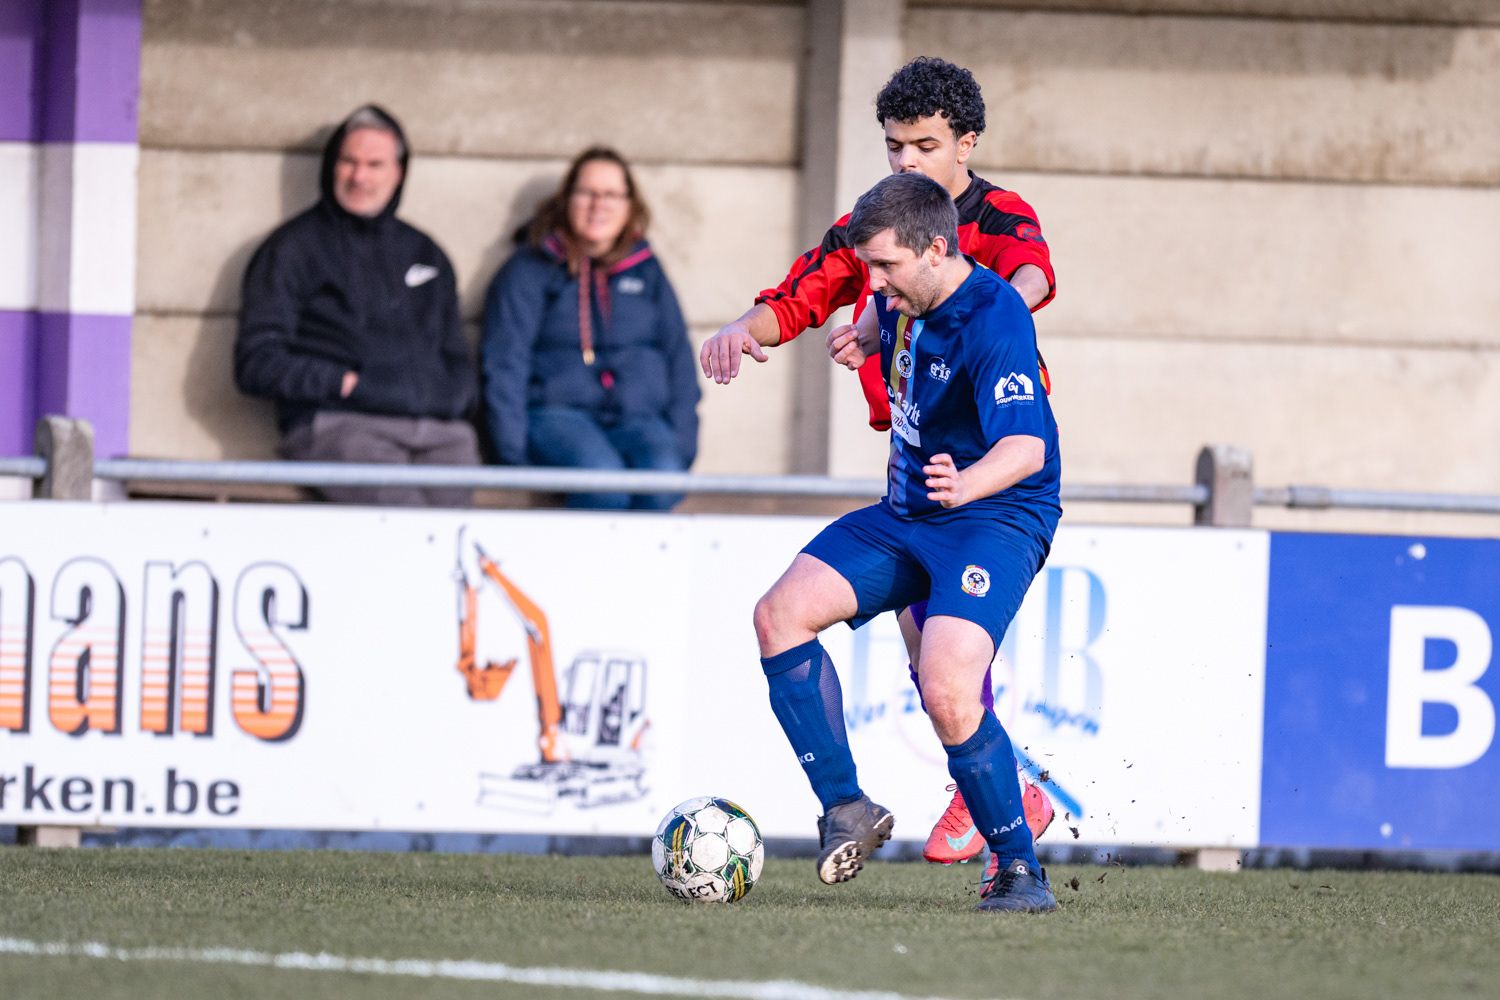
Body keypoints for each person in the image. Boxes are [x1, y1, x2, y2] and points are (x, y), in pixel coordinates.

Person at [698, 57, 1056, 866]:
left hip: (989, 470)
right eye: (895, 145)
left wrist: (944, 315)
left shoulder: (997, 219)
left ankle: (1004, 828)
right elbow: (800, 294)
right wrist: (740, 331)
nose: (906, 161)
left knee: (943, 663)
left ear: (966, 143)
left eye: (924, 145)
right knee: (916, 651)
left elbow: (1031, 278)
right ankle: (962, 797)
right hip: (918, 470)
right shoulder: (876, 226)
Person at [754, 172, 1060, 912]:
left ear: (935, 249)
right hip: (909, 512)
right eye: (870, 266)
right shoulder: (899, 301)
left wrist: (968, 483)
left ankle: (1018, 869)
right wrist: (866, 331)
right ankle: (846, 808)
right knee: (779, 615)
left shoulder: (995, 315)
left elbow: (1027, 449)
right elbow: (878, 324)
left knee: (947, 687)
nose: (875, 282)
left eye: (886, 266)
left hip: (994, 515)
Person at [235, 105, 480, 507]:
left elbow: (456, 354)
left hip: (440, 435)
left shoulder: (426, 252)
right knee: (406, 520)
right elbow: (255, 361)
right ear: (331, 166)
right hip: (340, 426)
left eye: (374, 164)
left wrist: (456, 398)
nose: (359, 177)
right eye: (348, 162)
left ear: (399, 172)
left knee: (462, 532)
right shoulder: (291, 249)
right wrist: (341, 383)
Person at [481, 147, 699, 511]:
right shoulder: (530, 268)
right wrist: (512, 455)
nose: (599, 205)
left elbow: (679, 357)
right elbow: (505, 361)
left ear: (630, 205)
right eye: (587, 193)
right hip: (555, 415)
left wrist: (682, 444)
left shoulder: (647, 269)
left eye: (612, 194)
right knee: (602, 485)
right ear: (567, 199)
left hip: (638, 419)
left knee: (664, 481)